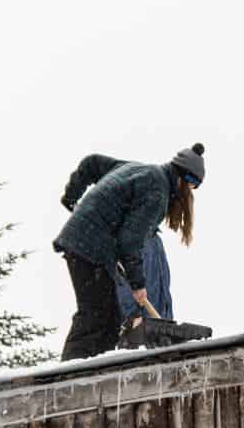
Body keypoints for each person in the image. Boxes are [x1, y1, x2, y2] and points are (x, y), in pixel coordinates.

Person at [54, 143, 204, 360]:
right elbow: (130, 240)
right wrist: (138, 284)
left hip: (88, 246)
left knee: (110, 320)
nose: (190, 191)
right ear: (184, 178)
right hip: (89, 247)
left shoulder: (138, 170)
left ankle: (97, 367)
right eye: (192, 185)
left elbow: (91, 163)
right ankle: (70, 371)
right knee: (94, 315)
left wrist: (71, 197)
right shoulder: (158, 192)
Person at [60, 154, 175, 324]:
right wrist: (71, 198)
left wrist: (71, 197)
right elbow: (91, 163)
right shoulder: (137, 241)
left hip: (150, 322)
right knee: (102, 318)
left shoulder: (152, 243)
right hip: (133, 322)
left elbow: (91, 163)